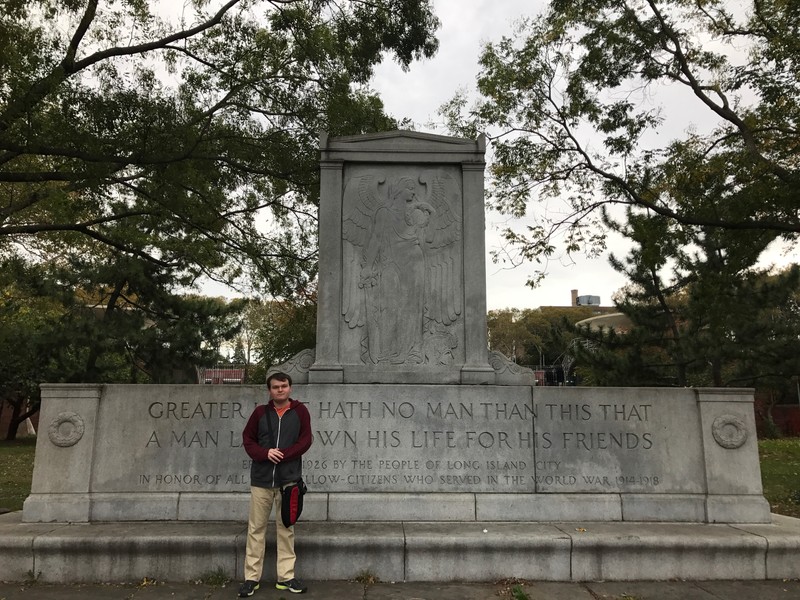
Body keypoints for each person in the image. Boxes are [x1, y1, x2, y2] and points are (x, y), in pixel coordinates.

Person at [238, 372, 313, 597]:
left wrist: (283, 454)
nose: (280, 390)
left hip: (288, 481)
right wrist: (265, 453)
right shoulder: (260, 413)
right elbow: (248, 440)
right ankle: (251, 579)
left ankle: (286, 577)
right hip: (261, 480)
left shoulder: (300, 412)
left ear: (290, 388)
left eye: (283, 386)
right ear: (269, 390)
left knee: (286, 530)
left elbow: (305, 440)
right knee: (256, 530)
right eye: (275, 387)